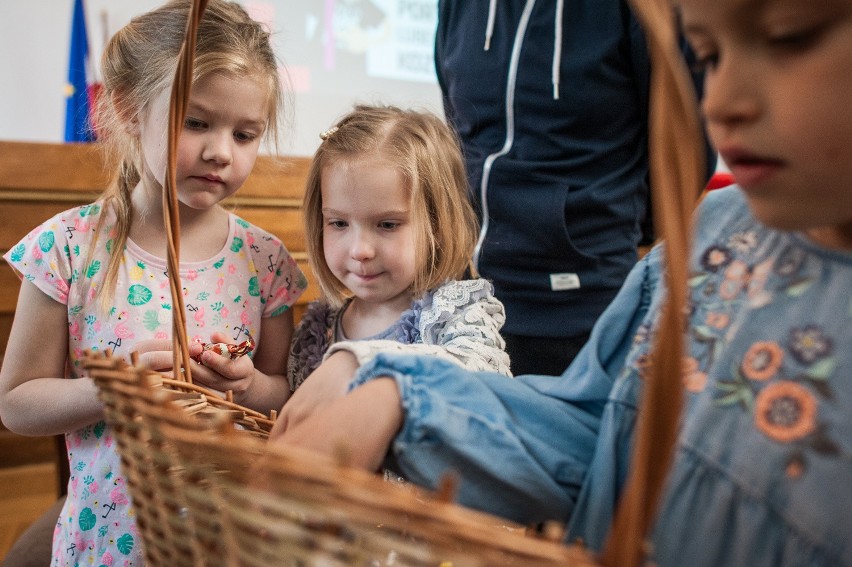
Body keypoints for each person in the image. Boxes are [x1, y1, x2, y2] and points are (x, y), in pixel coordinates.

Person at [270, 0, 852, 563]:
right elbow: (600, 431)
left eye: (788, 38)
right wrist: (395, 389)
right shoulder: (707, 245)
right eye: (708, 57)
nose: (721, 102)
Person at [0, 1, 307, 565]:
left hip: (229, 543)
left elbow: (286, 397)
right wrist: (109, 391)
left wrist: (246, 386)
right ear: (126, 109)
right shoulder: (69, 248)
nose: (221, 151)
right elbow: (16, 403)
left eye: (245, 134)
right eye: (196, 122)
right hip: (106, 544)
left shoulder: (265, 262)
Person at [434, 0, 713, 375]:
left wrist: (593, 234)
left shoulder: (643, 10)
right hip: (465, 306)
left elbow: (686, 152)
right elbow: (457, 130)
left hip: (585, 309)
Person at [283, 105, 510, 404]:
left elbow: (483, 381)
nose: (360, 250)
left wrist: (357, 361)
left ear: (438, 227)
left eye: (387, 224)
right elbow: (294, 406)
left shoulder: (455, 314)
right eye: (339, 223)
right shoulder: (318, 328)